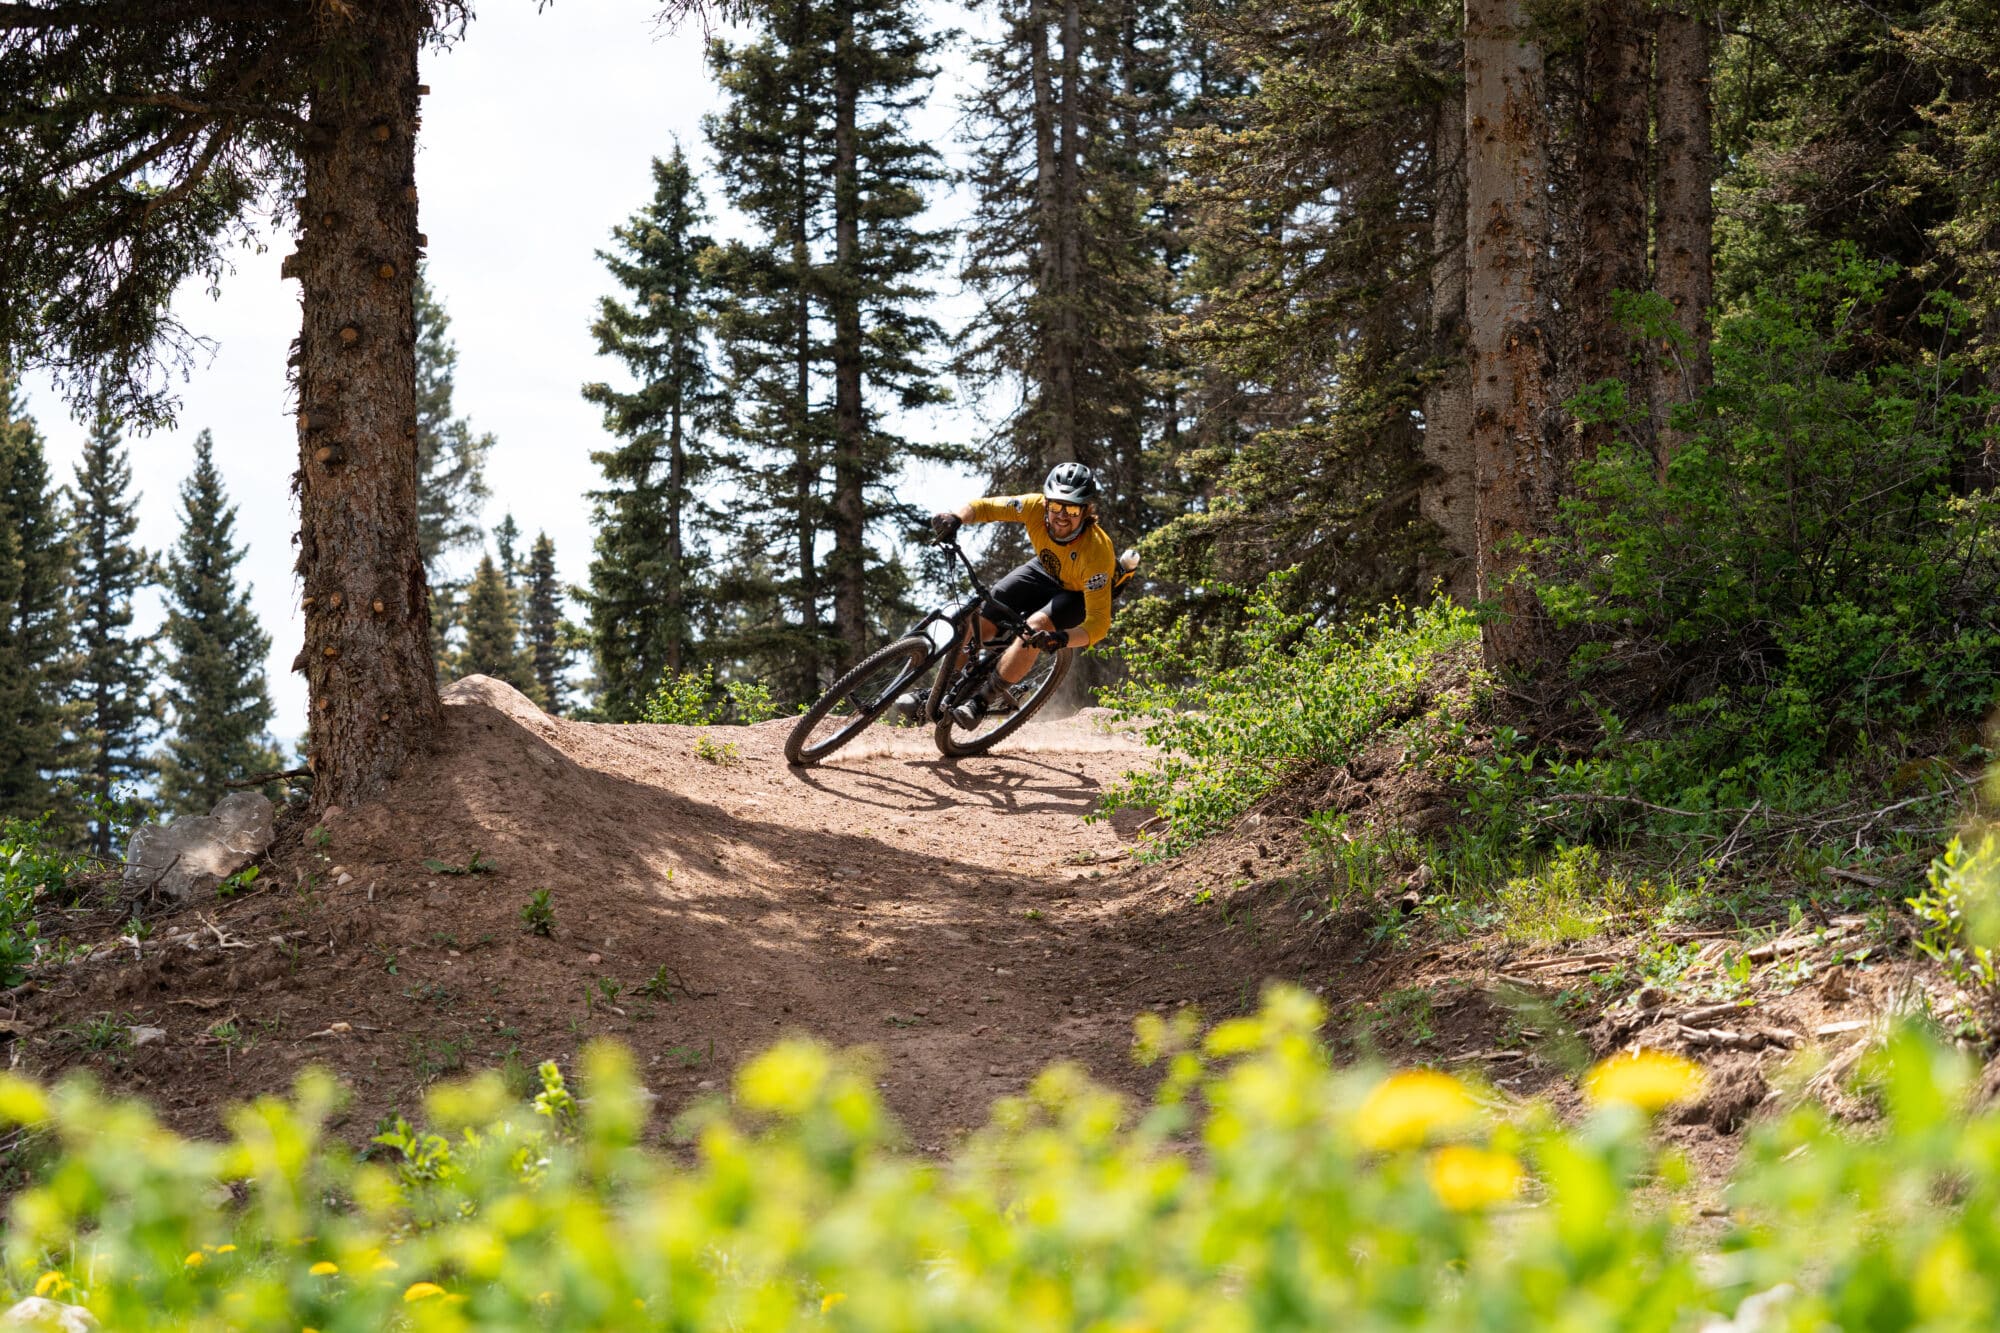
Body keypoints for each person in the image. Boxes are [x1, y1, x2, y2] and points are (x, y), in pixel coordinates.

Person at [907, 462, 1121, 728]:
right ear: (1046, 503)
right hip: (1045, 570)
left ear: (1086, 510)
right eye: (1056, 506)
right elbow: (984, 507)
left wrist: (1062, 639)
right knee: (985, 612)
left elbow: (1099, 624)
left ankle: (981, 702)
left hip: (1075, 594)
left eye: (1073, 509)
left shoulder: (1098, 552)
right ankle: (938, 693)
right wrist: (956, 518)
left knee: (1035, 630)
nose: (1062, 516)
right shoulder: (1032, 506)